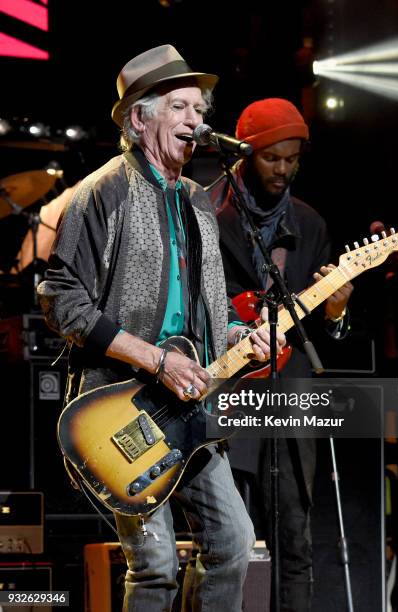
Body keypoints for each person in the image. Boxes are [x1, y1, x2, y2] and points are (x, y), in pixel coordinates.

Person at [37, 46, 285, 612]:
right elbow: (60, 297)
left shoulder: (199, 201)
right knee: (154, 565)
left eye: (200, 108)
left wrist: (238, 335)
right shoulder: (102, 191)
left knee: (234, 543)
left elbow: (211, 308)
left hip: (188, 408)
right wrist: (156, 359)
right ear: (138, 117)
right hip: (121, 406)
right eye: (180, 106)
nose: (197, 121)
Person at [208, 97, 353, 611]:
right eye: (273, 158)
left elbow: (327, 333)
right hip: (223, 385)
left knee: (295, 530)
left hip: (290, 394)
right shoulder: (204, 210)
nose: (285, 169)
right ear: (246, 153)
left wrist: (335, 313)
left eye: (293, 159)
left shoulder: (309, 224)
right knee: (228, 536)